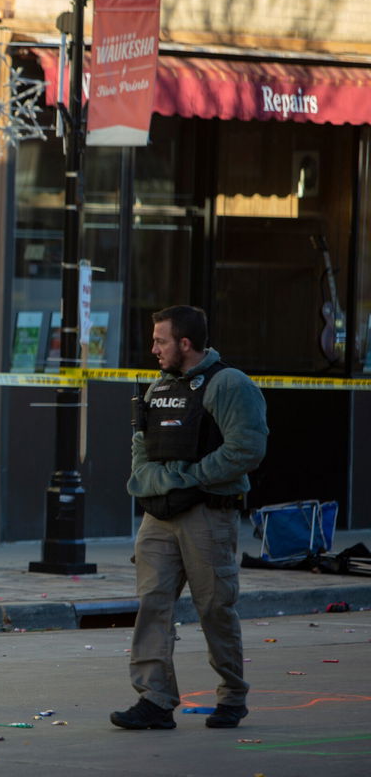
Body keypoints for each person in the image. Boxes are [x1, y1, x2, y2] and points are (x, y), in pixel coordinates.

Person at [111, 305, 268, 731]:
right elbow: (141, 444)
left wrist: (190, 479)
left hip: (207, 514)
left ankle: (232, 696)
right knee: (152, 603)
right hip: (159, 514)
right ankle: (155, 700)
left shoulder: (229, 384)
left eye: (161, 341)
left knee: (214, 607)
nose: (153, 349)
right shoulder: (159, 387)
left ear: (185, 343)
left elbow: (246, 449)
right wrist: (152, 481)